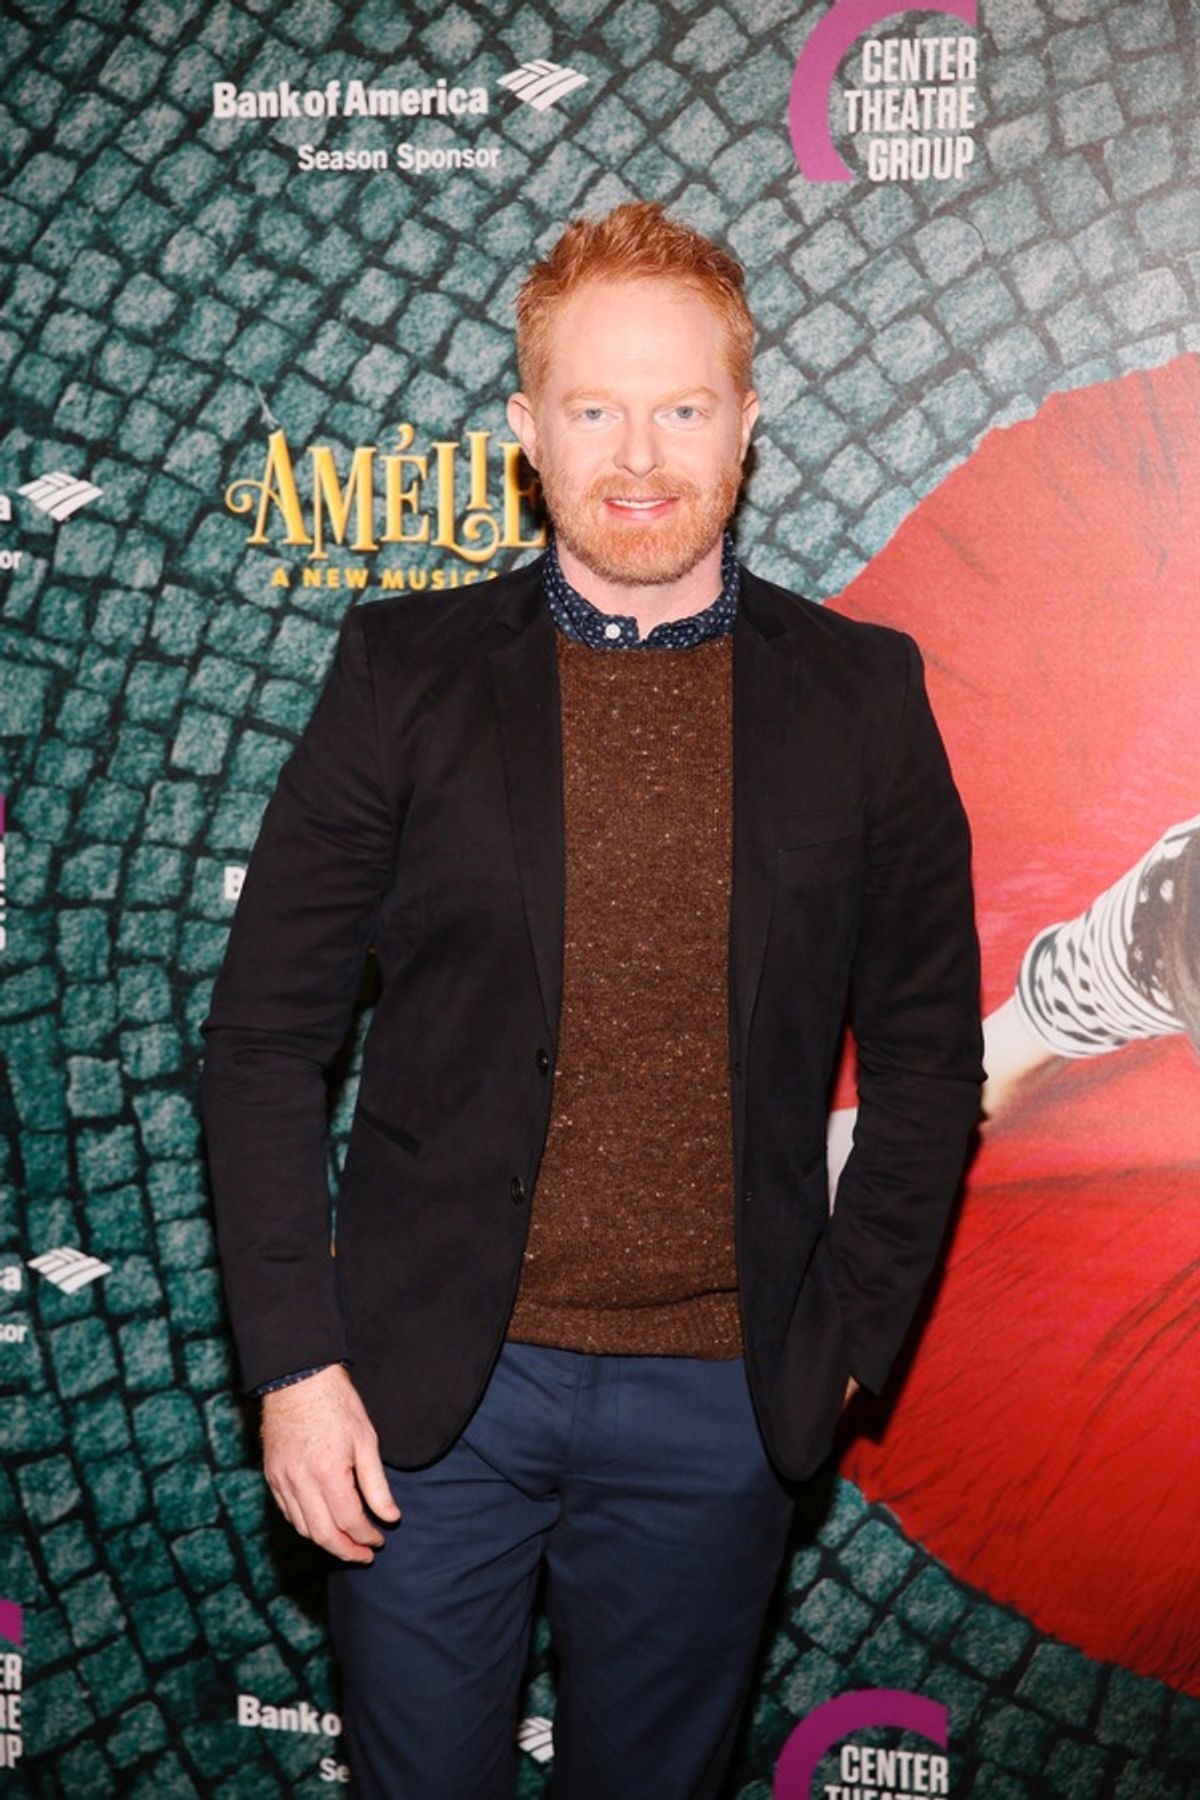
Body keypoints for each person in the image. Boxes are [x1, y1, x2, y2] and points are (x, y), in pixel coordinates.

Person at [200, 201, 983, 1799]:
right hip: (430, 1403)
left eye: (684, 406)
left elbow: (926, 1056)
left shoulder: (863, 699)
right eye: (595, 406)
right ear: (523, 433)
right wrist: (293, 1363)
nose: (641, 454)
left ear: (747, 425)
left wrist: (845, 1341)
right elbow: (267, 1041)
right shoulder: (402, 676)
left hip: (723, 1406)